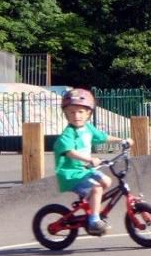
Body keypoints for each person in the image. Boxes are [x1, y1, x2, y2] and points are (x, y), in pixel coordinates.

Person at [54, 88, 133, 234]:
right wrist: (90, 159)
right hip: (70, 175)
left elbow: (103, 137)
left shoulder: (88, 128)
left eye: (81, 112)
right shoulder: (68, 134)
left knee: (107, 181)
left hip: (84, 171)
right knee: (96, 189)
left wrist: (121, 141)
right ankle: (94, 221)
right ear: (66, 114)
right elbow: (69, 152)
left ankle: (90, 207)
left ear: (88, 113)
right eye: (72, 112)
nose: (76, 116)